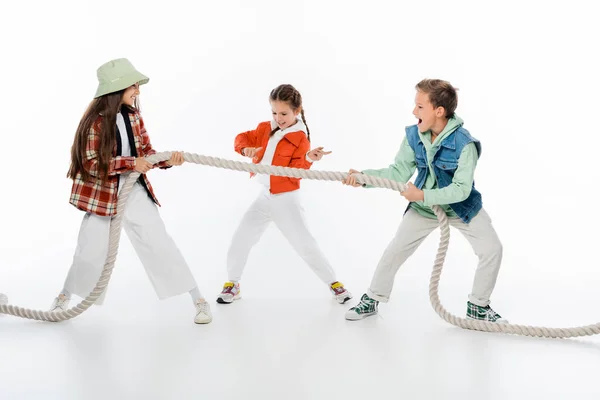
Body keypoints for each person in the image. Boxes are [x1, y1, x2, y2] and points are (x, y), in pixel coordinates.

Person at [49, 58, 211, 324]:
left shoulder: (133, 116)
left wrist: (167, 160)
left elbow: (146, 153)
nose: (138, 91)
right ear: (118, 88)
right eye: (133, 86)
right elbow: (91, 162)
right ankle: (64, 298)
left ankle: (198, 299)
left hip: (132, 189)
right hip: (102, 194)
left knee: (159, 242)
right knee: (90, 249)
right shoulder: (95, 123)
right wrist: (130, 163)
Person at [343, 79, 505, 323]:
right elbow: (398, 172)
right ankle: (373, 298)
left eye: (420, 107)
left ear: (439, 111)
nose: (413, 112)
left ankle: (478, 306)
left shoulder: (465, 145)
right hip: (424, 209)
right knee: (395, 250)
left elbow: (461, 190)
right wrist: (364, 177)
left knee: (492, 249)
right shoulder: (413, 135)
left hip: (460, 207)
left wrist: (422, 194)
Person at [217, 84, 352, 305]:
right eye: (274, 112)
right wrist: (245, 150)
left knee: (304, 243)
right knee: (241, 238)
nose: (278, 118)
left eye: (284, 113)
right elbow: (241, 137)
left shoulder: (300, 138)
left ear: (296, 112)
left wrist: (310, 158)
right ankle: (233, 283)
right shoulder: (264, 128)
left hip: (286, 198)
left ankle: (334, 284)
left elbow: (297, 171)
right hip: (265, 197)